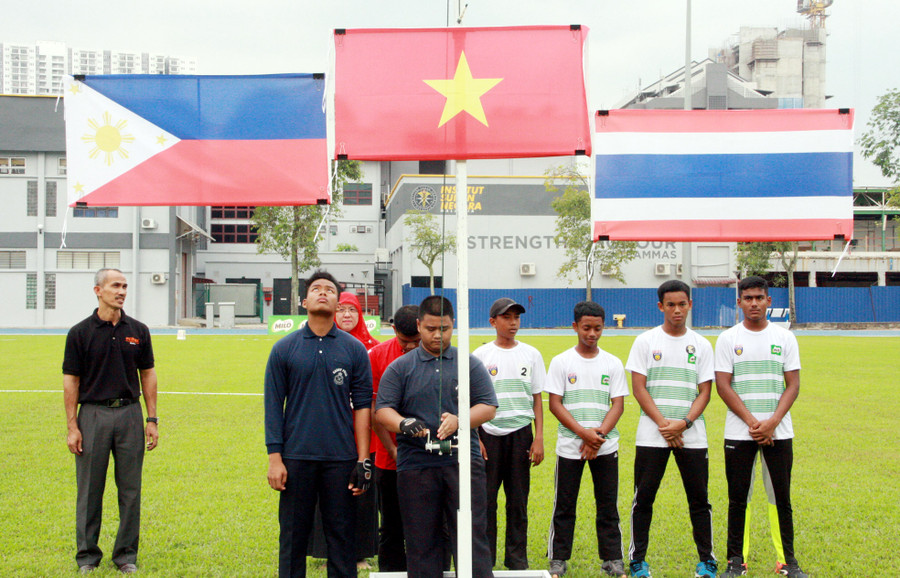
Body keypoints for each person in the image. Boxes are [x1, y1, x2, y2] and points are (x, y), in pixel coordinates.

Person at [375, 295, 498, 578]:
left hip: (463, 462)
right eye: (430, 328)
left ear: (452, 325)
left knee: (470, 535)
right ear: (418, 326)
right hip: (416, 464)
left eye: (443, 328)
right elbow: (383, 410)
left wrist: (460, 420)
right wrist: (404, 423)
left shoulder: (469, 364)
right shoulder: (401, 367)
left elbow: (488, 407)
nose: (437, 335)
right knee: (420, 539)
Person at [264, 270, 373, 578]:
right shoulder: (284, 349)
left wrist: (363, 459)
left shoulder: (353, 350)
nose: (323, 293)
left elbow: (363, 407)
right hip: (296, 458)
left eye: (329, 290)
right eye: (316, 289)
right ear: (305, 299)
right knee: (293, 539)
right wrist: (275, 458)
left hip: (341, 459)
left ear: (338, 302)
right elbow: (273, 406)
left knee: (341, 539)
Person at [62, 268, 158, 574]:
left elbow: (148, 374)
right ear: (97, 290)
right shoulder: (80, 333)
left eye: (125, 286)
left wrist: (151, 418)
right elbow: (71, 381)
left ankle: (126, 555)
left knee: (130, 490)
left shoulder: (138, 330)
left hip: (130, 413)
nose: (122, 291)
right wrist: (72, 426)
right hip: (92, 415)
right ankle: (88, 557)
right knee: (89, 489)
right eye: (115, 286)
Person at [715, 276, 808, 578]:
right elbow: (723, 385)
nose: (754, 303)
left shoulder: (785, 338)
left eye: (759, 297)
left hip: (778, 432)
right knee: (738, 498)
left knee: (780, 497)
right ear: (739, 302)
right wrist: (754, 422)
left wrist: (772, 423)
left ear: (769, 301)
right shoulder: (729, 339)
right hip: (739, 432)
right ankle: (735, 562)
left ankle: (788, 562)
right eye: (748, 298)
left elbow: (792, 385)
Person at [624, 280, 717, 578]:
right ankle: (638, 561)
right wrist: (666, 425)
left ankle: (707, 561)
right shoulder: (646, 341)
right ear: (660, 306)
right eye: (670, 305)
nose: (677, 310)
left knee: (699, 500)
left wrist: (685, 423)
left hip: (692, 435)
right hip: (653, 435)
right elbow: (639, 388)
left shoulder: (701, 344)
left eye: (682, 304)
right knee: (644, 499)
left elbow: (705, 391)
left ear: (690, 304)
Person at [546, 301, 627, 578]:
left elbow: (618, 405)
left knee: (608, 504)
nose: (592, 334)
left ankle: (612, 558)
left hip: (605, 446)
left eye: (598, 328)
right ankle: (558, 558)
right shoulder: (561, 361)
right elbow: (555, 404)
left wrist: (597, 437)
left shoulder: (612, 363)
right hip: (570, 447)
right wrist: (583, 434)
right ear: (575, 327)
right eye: (586, 328)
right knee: (565, 505)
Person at [305, 291, 379, 567]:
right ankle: (326, 554)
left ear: (361, 314)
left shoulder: (373, 348)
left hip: (363, 436)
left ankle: (358, 554)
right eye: (342, 310)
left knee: (360, 492)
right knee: (328, 495)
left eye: (353, 310)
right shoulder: (321, 345)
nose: (347, 315)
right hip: (329, 434)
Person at [472, 297, 546, 570]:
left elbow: (537, 398)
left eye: (516, 317)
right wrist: (476, 438)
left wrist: (538, 438)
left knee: (518, 502)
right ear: (493, 322)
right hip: (488, 436)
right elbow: (472, 401)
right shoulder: (480, 356)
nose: (513, 322)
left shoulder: (531, 354)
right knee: (486, 502)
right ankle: (485, 561)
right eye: (506, 317)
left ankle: (517, 561)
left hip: (520, 435)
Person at [368, 305, 421, 571]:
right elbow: (375, 411)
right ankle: (392, 573)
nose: (412, 347)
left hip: (429, 458)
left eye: (417, 341)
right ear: (393, 330)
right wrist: (391, 449)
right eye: (405, 341)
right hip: (390, 459)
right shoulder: (377, 356)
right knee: (390, 525)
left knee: (430, 523)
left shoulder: (439, 353)